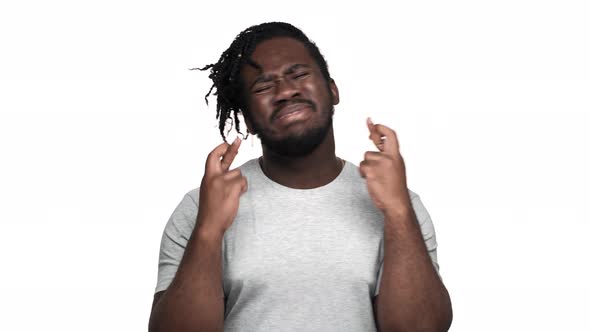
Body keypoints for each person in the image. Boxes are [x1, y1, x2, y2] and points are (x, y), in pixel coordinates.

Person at [148, 22, 452, 332]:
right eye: (264, 86)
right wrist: (209, 230)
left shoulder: (399, 203)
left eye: (299, 75)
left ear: (332, 89)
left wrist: (399, 213)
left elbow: (422, 328)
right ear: (249, 120)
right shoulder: (201, 207)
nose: (285, 91)